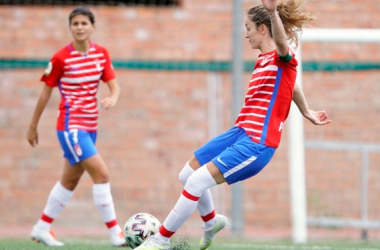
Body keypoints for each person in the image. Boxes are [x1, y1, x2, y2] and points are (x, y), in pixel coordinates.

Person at [135, 0, 331, 249]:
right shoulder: (265, 61)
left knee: (196, 183)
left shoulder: (284, 56)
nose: (245, 33)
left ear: (263, 29)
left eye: (248, 28)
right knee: (187, 175)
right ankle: (211, 221)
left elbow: (282, 45)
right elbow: (292, 86)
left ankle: (159, 241)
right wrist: (306, 111)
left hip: (256, 143)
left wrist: (272, 12)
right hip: (239, 132)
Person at [27, 6, 126, 247]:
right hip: (71, 128)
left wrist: (113, 97)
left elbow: (114, 85)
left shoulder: (101, 54)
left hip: (92, 127)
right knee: (101, 174)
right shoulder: (60, 57)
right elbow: (45, 93)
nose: (80, 27)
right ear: (70, 28)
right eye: (75, 23)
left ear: (92, 27)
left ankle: (42, 227)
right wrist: (33, 126)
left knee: (69, 181)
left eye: (84, 23)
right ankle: (116, 233)